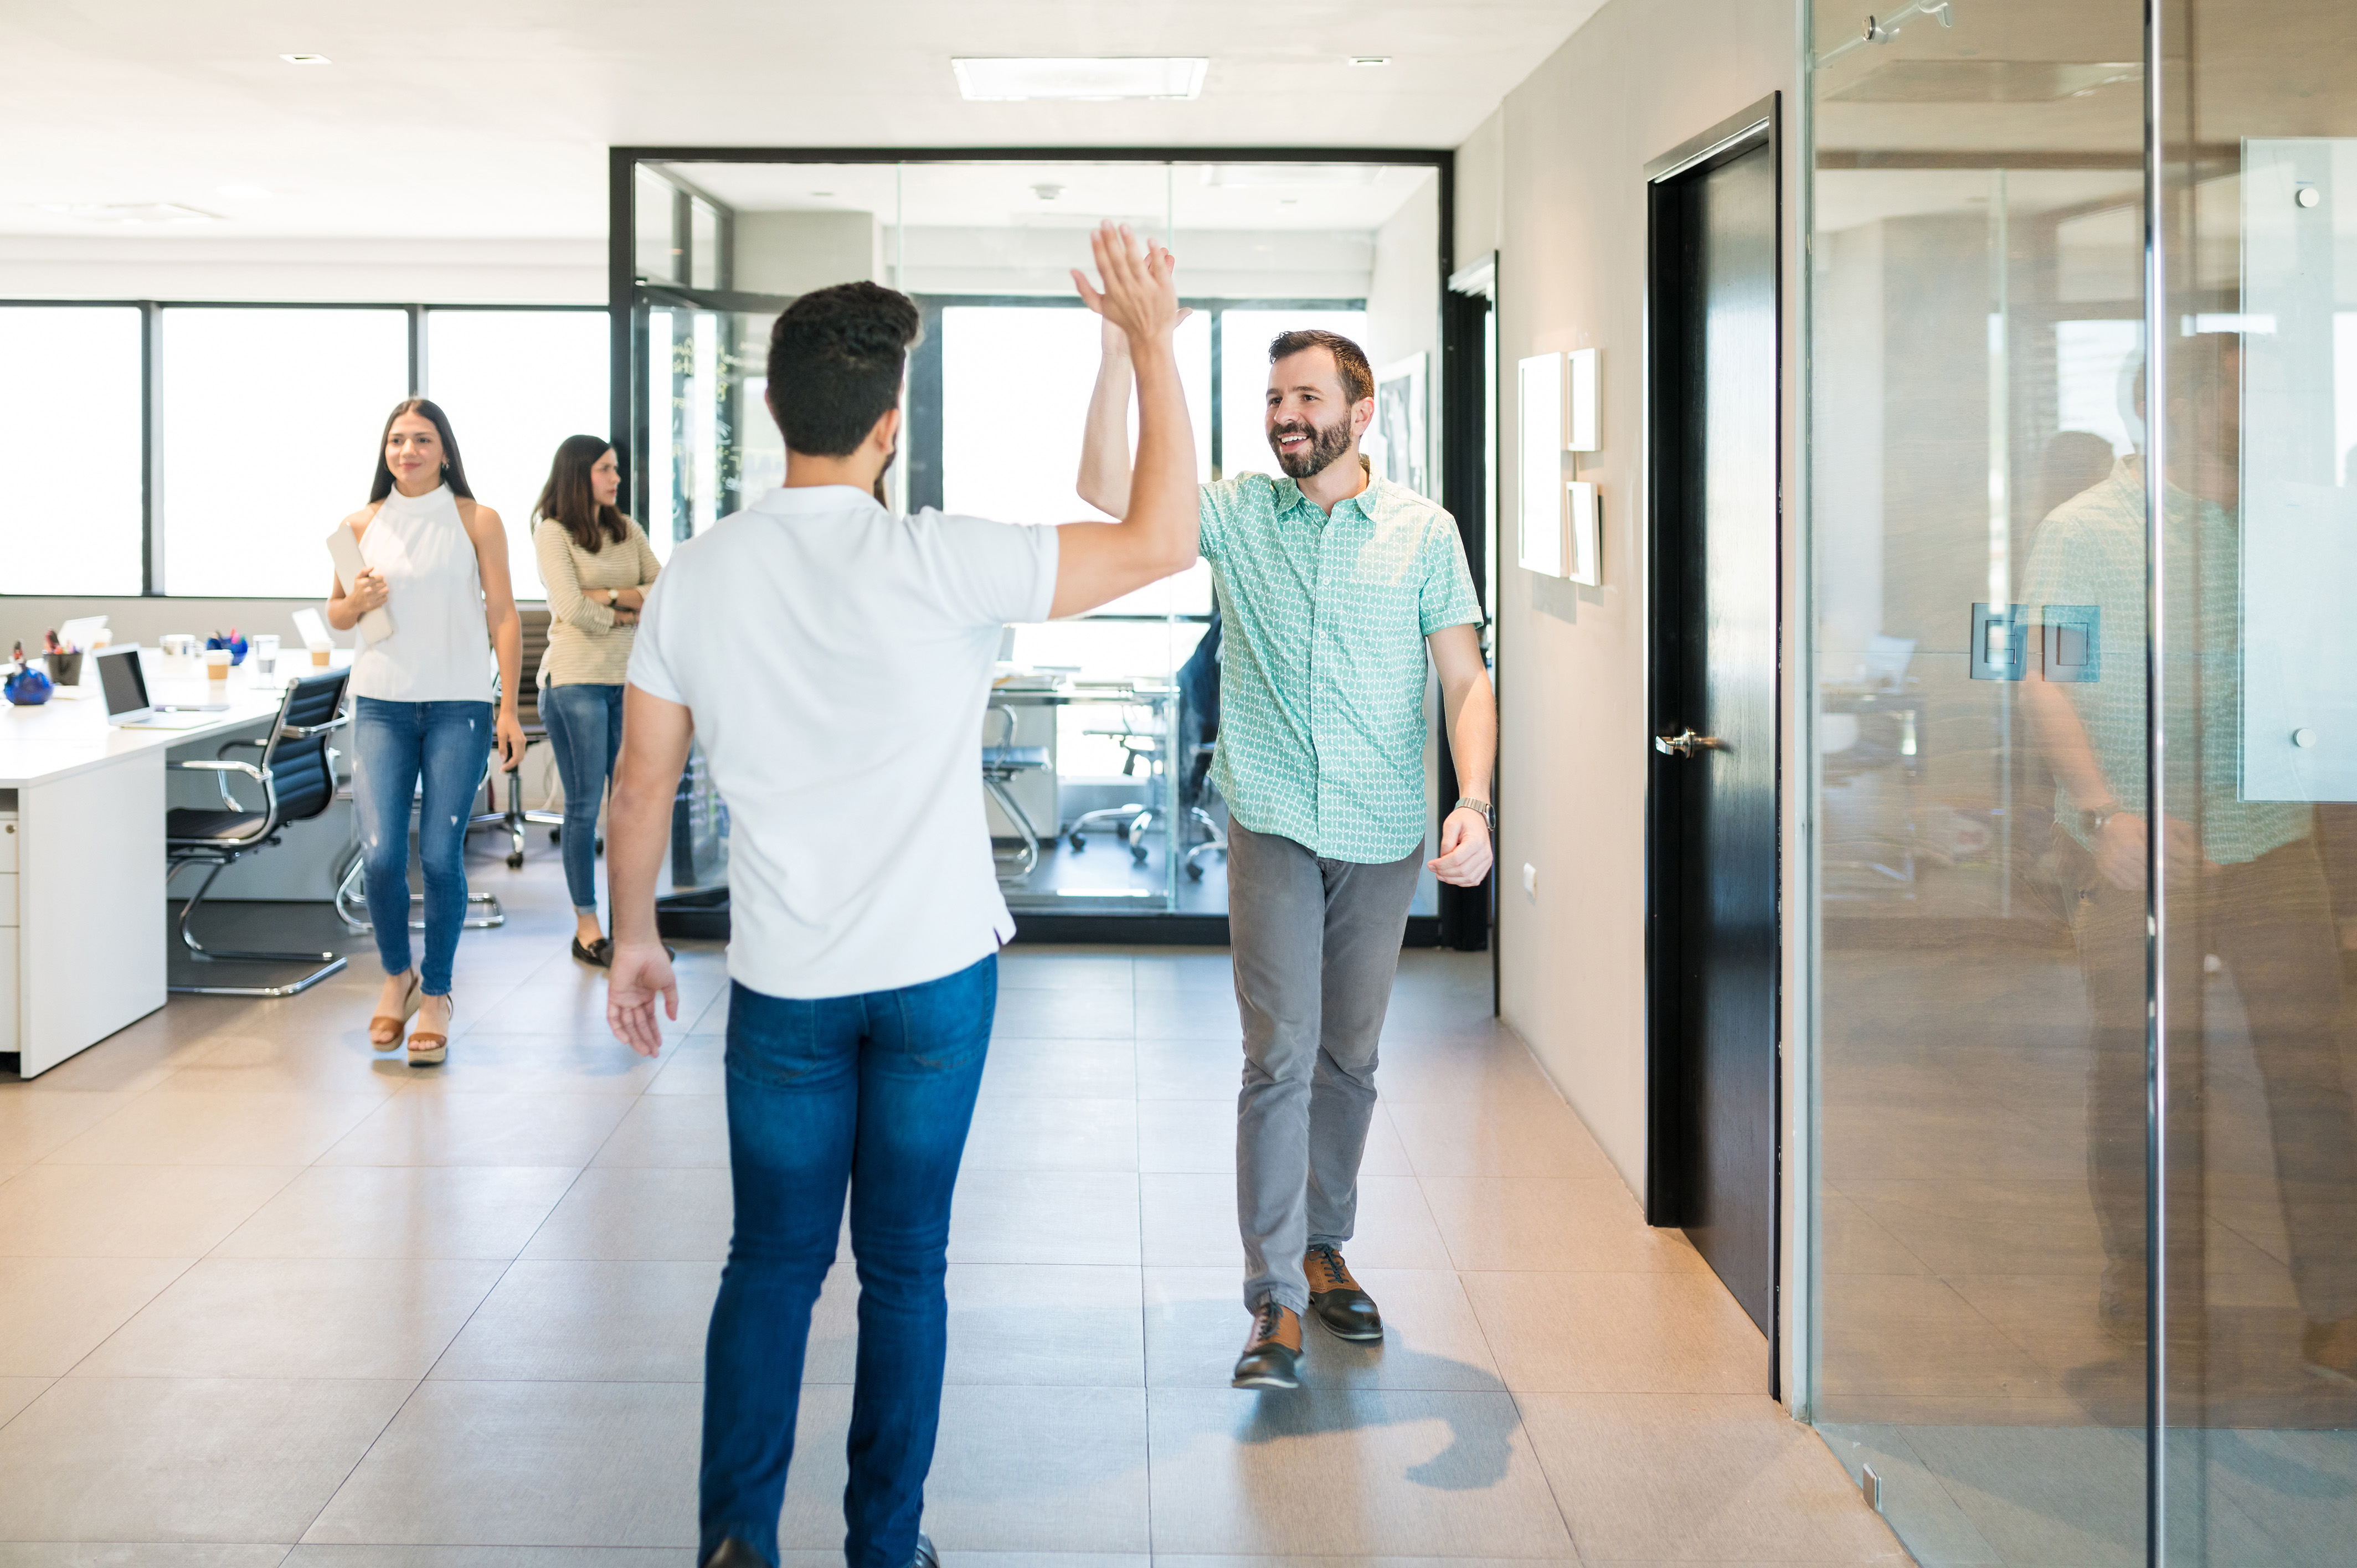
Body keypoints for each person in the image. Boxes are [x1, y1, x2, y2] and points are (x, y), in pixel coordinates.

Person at [604, 226, 1197, 1568]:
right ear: (887, 426)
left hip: (786, 987)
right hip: (935, 976)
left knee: (769, 1264)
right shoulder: (946, 559)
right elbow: (1163, 535)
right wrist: (1152, 341)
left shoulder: (698, 573)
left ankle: (736, 1545)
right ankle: (887, 1548)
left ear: (775, 413)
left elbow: (640, 791)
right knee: (906, 1271)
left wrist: (635, 935)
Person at [1078, 322, 1497, 1391]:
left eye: (1306, 398)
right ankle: (1272, 1301)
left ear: (1362, 413)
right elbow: (1103, 486)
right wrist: (1120, 348)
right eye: (1274, 399)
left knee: (1347, 1057)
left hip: (1380, 831)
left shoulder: (1423, 532)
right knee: (1278, 1056)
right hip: (1266, 818)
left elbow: (1465, 679)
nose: (1284, 417)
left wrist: (1476, 800)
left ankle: (1324, 1245)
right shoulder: (1233, 513)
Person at [2021, 333, 2357, 1385]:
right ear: (2170, 407)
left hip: (2268, 843)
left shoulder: (2291, 528)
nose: (2263, 420)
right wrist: (2105, 812)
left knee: (2314, 1076)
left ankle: (2339, 1305)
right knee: (2144, 1072)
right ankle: (2148, 1276)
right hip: (2132, 848)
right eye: (2238, 400)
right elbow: (2041, 680)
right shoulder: (2081, 531)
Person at [330, 398, 526, 1066]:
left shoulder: (477, 520)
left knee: (440, 857)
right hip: (382, 706)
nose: (407, 451)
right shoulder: (359, 523)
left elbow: (502, 614)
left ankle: (437, 992)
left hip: (459, 709)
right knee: (383, 855)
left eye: (421, 440)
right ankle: (398, 977)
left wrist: (506, 708)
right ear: (383, 452)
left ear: (445, 451)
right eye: (395, 440)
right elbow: (335, 614)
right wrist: (355, 603)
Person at [531, 434, 662, 966]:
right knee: (585, 807)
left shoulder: (627, 530)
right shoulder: (553, 532)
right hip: (575, 682)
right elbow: (570, 608)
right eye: (607, 469)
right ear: (579, 474)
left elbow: (664, 589)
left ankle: (631, 930)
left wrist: (606, 598)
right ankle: (589, 928)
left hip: (628, 682)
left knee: (631, 807)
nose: (616, 479)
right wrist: (628, 610)